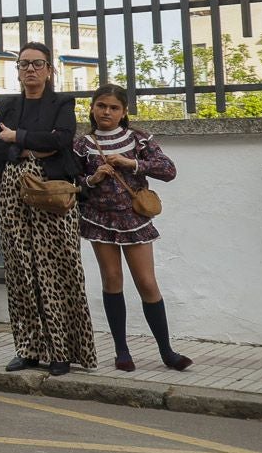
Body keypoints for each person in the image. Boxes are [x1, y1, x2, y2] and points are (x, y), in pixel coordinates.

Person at [0, 40, 96, 378]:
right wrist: (27, 148)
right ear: (17, 70)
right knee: (20, 270)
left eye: (37, 64)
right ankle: (28, 349)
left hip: (53, 193)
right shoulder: (7, 104)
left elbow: (61, 140)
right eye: (23, 64)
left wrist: (15, 136)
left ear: (50, 70)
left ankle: (62, 351)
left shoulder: (62, 102)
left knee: (56, 269)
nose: (30, 69)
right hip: (11, 192)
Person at [74, 83, 188, 373]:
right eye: (101, 106)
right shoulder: (82, 144)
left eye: (114, 107)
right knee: (112, 281)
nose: (106, 112)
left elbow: (168, 170)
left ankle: (167, 351)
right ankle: (121, 351)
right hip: (99, 219)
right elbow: (72, 184)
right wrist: (94, 178)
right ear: (92, 108)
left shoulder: (139, 139)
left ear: (124, 111)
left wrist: (130, 163)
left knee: (147, 283)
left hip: (135, 219)